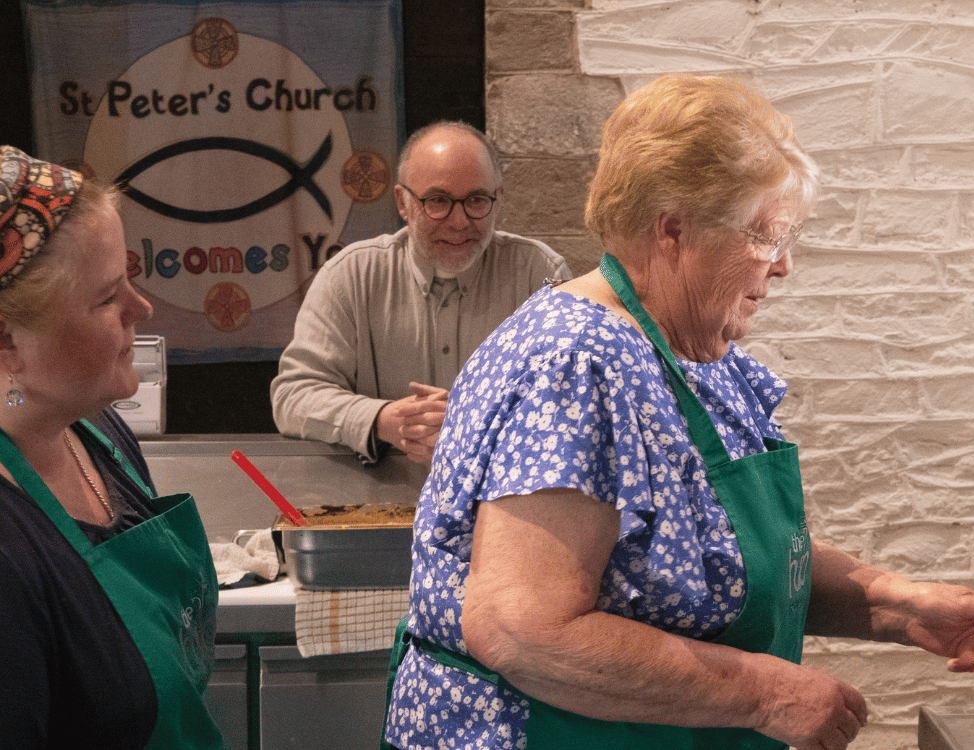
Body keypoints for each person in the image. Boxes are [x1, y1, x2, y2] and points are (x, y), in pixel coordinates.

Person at [382, 75, 974, 750]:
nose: (782, 267)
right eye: (769, 236)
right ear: (673, 231)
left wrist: (897, 604)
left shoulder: (689, 357)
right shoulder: (575, 363)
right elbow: (523, 629)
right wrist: (768, 692)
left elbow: (714, 558)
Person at [0, 146, 221, 748]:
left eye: (130, 278)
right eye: (106, 298)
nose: (140, 309)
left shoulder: (101, 433)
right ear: (8, 342)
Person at [271, 121, 573, 465]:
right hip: (379, 508)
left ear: (498, 199)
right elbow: (292, 397)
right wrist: (382, 420)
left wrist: (475, 423)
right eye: (438, 201)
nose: (459, 221)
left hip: (505, 506)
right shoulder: (350, 275)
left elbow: (575, 404)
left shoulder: (540, 274)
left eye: (476, 200)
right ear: (402, 202)